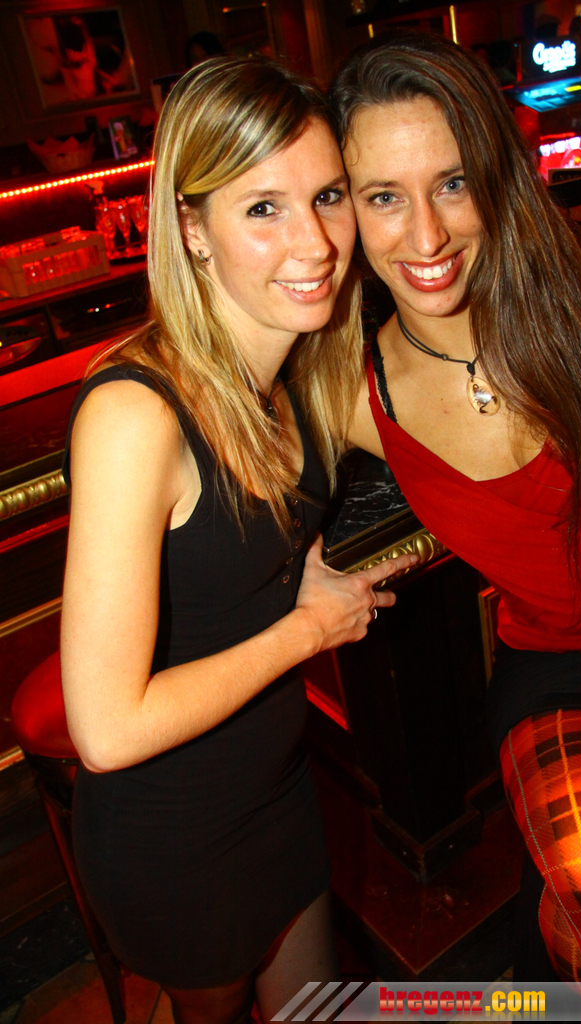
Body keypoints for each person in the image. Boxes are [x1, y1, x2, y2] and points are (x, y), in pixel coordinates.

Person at [61, 56, 415, 1024]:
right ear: (191, 230)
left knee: (315, 1009)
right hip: (173, 830)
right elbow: (107, 730)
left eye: (328, 196)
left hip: (276, 782)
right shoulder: (137, 415)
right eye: (262, 207)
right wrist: (307, 629)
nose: (314, 242)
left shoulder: (299, 370)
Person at [329, 34, 581, 1001]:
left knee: (579, 938)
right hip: (559, 675)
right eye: (382, 196)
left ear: (495, 176)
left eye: (451, 183)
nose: (426, 236)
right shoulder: (353, 391)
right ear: (342, 210)